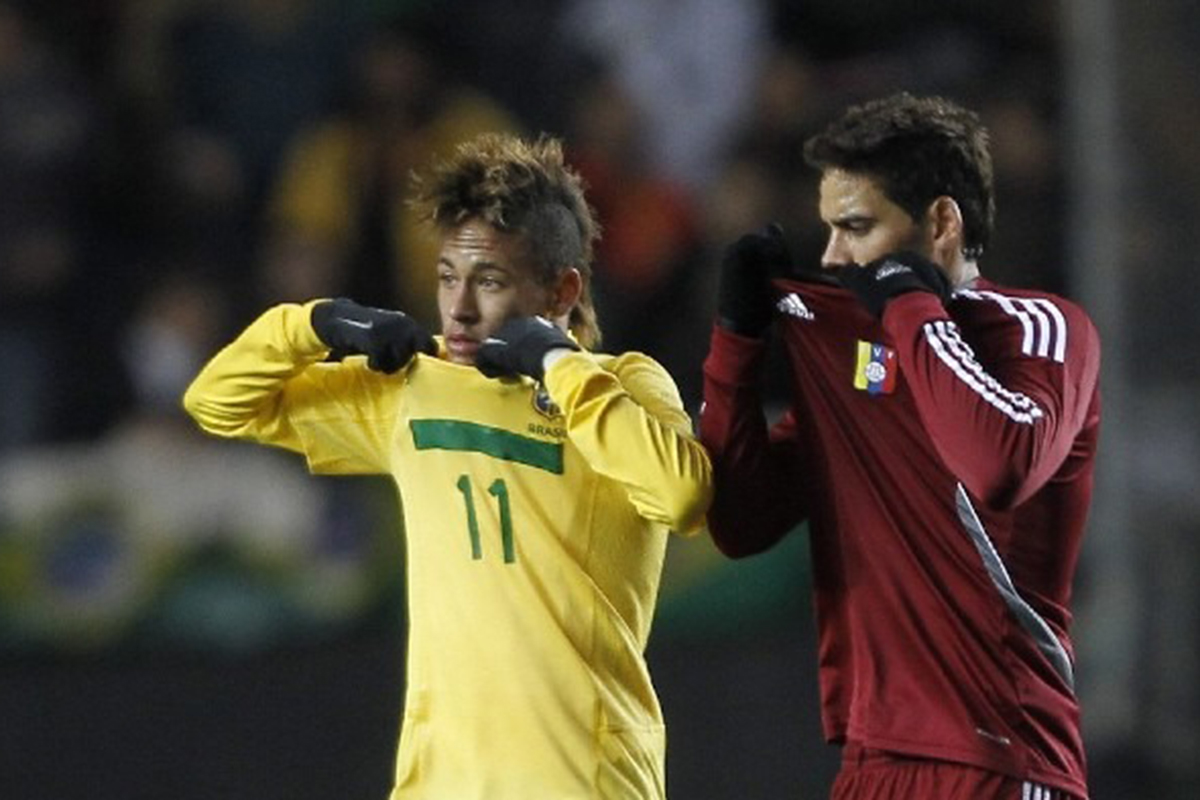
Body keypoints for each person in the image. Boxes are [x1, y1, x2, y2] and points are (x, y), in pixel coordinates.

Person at [182, 133, 711, 799]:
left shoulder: (621, 384)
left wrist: (557, 363)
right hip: (440, 782)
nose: (459, 309)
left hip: (581, 777)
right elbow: (217, 403)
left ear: (560, 289)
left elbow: (684, 495)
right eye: (446, 278)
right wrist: (317, 323)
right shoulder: (412, 388)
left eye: (488, 281)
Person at [700, 92, 1099, 799]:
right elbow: (741, 523)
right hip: (869, 762)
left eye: (856, 227)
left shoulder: (1041, 330)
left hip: (1003, 760)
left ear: (941, 221)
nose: (832, 255)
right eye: (827, 229)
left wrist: (911, 304)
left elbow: (999, 464)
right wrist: (736, 345)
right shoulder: (853, 360)